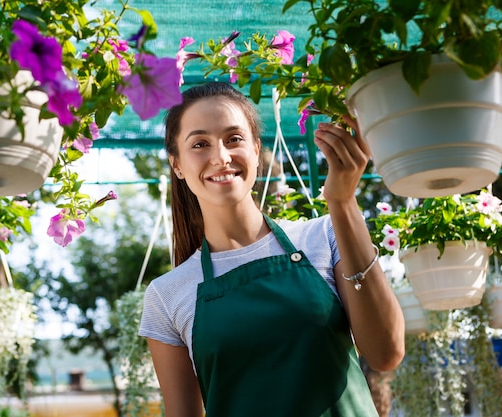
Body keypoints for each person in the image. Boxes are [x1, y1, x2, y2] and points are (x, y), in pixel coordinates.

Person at [138, 82, 405, 417]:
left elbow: (385, 353)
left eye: (234, 139)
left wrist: (343, 201)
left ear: (255, 150)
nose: (221, 157)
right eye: (200, 144)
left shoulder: (327, 234)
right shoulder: (166, 296)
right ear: (177, 165)